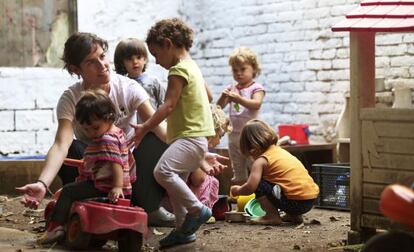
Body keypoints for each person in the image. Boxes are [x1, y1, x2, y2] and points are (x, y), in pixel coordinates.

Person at [15, 32, 172, 226]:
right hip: (93, 172)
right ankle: (81, 208)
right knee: (73, 147)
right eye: (91, 62)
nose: (103, 65)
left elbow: (161, 129)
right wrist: (42, 183)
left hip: (128, 171)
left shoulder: (128, 87)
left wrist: (198, 154)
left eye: (102, 56)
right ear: (75, 69)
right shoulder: (71, 97)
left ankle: (150, 207)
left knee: (153, 139)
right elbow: (60, 144)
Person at [130, 18, 216, 248]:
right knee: (175, 181)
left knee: (162, 172)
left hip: (189, 137)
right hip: (197, 139)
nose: (157, 61)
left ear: (168, 44)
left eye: (156, 54)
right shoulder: (193, 67)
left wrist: (146, 127)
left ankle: (197, 209)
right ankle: (182, 230)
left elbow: (167, 105)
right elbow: (208, 96)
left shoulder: (177, 70)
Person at [38, 89, 136, 244]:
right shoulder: (117, 133)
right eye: (86, 129)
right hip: (115, 184)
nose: (91, 133)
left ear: (109, 117)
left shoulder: (106, 140)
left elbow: (116, 163)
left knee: (69, 191)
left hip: (104, 185)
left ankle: (55, 227)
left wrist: (117, 186)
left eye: (95, 128)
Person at [113, 38, 175, 226]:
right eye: (130, 58)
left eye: (139, 57)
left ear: (146, 59)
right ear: (122, 62)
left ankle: (156, 204)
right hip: (131, 135)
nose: (135, 62)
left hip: (154, 131)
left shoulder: (153, 82)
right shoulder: (121, 84)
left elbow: (165, 104)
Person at [230, 120, 319, 225]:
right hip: (310, 200)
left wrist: (238, 190)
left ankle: (271, 217)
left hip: (295, 203)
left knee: (259, 184)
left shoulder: (261, 161)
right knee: (283, 185)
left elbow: (251, 187)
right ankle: (293, 216)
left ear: (252, 149)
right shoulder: (281, 152)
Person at [216, 46, 265, 185]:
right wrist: (223, 96)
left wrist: (239, 99)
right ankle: (240, 191)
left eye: (243, 69)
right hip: (234, 136)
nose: (239, 73)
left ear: (254, 69)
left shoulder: (256, 88)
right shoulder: (233, 88)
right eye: (235, 70)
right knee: (237, 166)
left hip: (251, 136)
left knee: (254, 164)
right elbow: (219, 107)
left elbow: (256, 104)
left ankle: (259, 192)